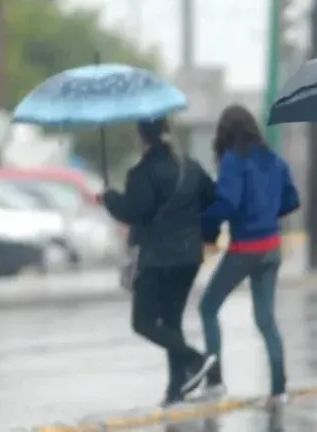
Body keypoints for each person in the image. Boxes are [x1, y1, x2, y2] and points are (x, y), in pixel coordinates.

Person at [100, 117, 217, 406]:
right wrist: (208, 236)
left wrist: (109, 197)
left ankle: (197, 359)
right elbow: (212, 200)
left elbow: (132, 212)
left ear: (143, 137)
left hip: (157, 259)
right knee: (171, 323)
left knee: (144, 322)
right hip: (189, 257)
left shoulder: (142, 172)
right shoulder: (191, 167)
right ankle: (176, 391)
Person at [198, 104, 300, 404]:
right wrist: (267, 213)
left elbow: (228, 202)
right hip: (272, 247)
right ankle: (280, 389)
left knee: (208, 307)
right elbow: (292, 199)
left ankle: (215, 381)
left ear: (224, 133)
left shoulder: (233, 160)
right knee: (266, 319)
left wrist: (206, 221)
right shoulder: (274, 159)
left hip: (245, 248)